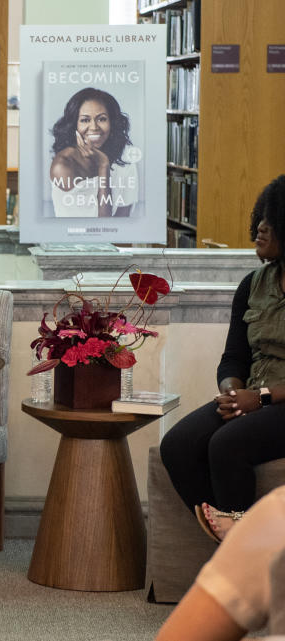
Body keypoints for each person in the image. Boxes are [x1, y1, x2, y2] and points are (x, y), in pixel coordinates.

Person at [160, 175, 285, 542]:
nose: (260, 227)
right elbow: (233, 358)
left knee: (228, 444)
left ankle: (241, 558)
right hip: (252, 398)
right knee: (178, 445)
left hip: (276, 400)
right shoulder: (253, 284)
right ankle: (239, 541)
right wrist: (232, 392)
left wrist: (260, 397)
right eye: (260, 216)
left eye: (272, 219)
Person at [156, 485, 285, 641]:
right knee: (178, 459)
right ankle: (232, 529)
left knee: (225, 459)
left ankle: (236, 528)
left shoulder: (277, 516)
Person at [48, 87, 138, 218]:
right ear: (74, 125)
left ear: (112, 122)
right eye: (85, 120)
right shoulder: (63, 165)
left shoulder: (125, 159)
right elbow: (102, 224)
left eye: (102, 119)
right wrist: (103, 166)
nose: (94, 127)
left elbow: (122, 222)